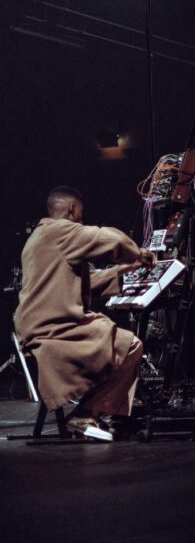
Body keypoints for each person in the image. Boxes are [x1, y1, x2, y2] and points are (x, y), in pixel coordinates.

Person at [14, 186, 156, 440]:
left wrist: (125, 270)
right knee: (131, 345)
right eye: (81, 212)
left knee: (112, 336)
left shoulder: (39, 237)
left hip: (37, 324)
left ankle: (92, 411)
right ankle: (87, 413)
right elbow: (107, 238)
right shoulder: (60, 230)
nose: (82, 217)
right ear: (72, 208)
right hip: (54, 328)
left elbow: (81, 282)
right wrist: (139, 254)